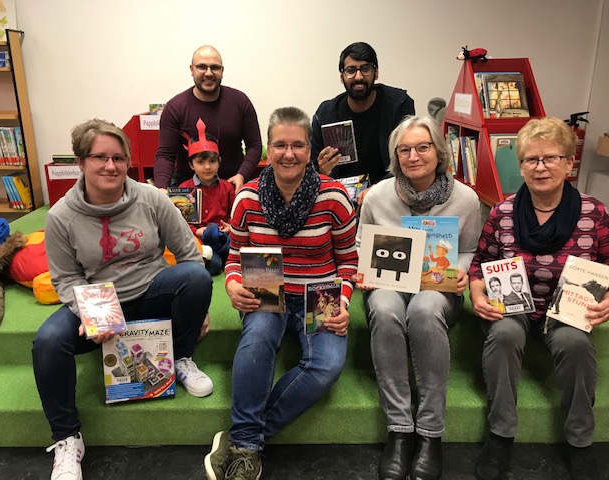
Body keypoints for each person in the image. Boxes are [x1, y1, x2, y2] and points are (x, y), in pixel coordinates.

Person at [32, 119, 214, 480]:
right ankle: (67, 439)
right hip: (99, 304)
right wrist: (90, 315)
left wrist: (201, 309)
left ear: (128, 162)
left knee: (194, 277)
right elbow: (66, 278)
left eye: (118, 158)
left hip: (152, 293)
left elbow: (190, 255)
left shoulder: (151, 198)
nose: (110, 166)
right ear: (82, 162)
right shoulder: (60, 216)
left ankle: (181, 357)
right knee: (47, 342)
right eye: (99, 157)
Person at [203, 107, 358, 480]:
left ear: (310, 149)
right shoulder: (248, 198)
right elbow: (235, 255)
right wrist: (233, 284)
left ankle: (244, 441)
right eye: (280, 145)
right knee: (256, 339)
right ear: (266, 151)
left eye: (298, 145)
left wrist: (345, 302)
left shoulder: (335, 197)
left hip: (321, 294)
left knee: (326, 366)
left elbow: (349, 261)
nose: (289, 154)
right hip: (265, 289)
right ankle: (247, 444)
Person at [468, 117, 609, 480]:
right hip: (513, 309)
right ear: (521, 166)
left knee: (575, 343)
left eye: (550, 158)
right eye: (531, 159)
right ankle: (500, 435)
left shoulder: (594, 214)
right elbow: (479, 264)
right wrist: (477, 291)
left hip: (568, 314)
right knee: (504, 334)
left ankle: (579, 441)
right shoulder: (501, 212)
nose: (540, 167)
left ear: (568, 162)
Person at [357, 115, 481, 480]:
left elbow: (470, 249)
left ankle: (429, 433)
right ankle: (399, 429)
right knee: (383, 307)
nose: (414, 155)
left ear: (438, 152)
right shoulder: (378, 195)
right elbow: (363, 244)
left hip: (438, 288)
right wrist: (365, 272)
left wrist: (462, 271)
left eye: (422, 147)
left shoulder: (466, 199)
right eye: (405, 149)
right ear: (396, 156)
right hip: (390, 284)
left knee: (425, 310)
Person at [311, 41, 414, 203]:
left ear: (376, 73)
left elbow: (408, 159)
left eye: (365, 69)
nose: (358, 77)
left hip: (389, 194)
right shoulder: (325, 114)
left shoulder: (398, 105)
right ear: (341, 76)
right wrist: (322, 170)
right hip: (341, 197)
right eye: (351, 70)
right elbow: (311, 170)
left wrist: (378, 190)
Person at [153, 45, 262, 191]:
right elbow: (166, 155)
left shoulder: (240, 102)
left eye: (215, 68)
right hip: (188, 187)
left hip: (233, 182)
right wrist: (161, 188)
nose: (209, 73)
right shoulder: (175, 108)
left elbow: (255, 146)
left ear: (222, 71)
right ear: (192, 70)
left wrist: (241, 175)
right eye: (202, 67)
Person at [178, 117, 235, 275]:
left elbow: (234, 214)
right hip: (200, 239)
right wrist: (197, 232)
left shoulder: (227, 187)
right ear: (191, 164)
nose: (207, 166)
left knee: (235, 253)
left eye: (212, 161)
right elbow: (180, 223)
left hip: (224, 236)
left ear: (219, 162)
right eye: (201, 162)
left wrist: (230, 226)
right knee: (214, 265)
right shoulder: (185, 189)